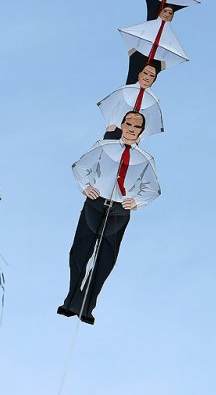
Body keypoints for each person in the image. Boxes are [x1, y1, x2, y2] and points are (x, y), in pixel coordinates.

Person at [57, 111, 160, 324]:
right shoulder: (104, 146)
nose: (131, 128)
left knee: (105, 260)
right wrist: (85, 187)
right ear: (122, 124)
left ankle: (87, 305)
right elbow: (79, 166)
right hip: (95, 205)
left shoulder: (144, 159)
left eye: (137, 125)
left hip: (119, 211)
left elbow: (152, 189)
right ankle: (71, 300)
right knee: (79, 253)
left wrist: (137, 202)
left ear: (141, 131)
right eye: (128, 123)